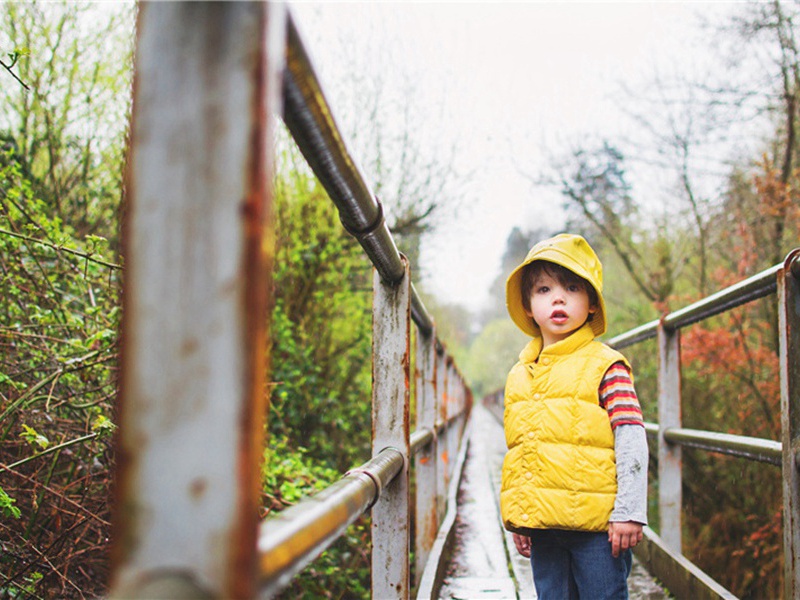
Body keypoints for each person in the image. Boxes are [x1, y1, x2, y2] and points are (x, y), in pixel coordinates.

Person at [500, 233, 648, 599]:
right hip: (545, 526)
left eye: (571, 287)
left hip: (597, 530)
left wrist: (628, 511)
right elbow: (521, 449)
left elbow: (630, 436)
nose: (559, 298)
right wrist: (522, 514)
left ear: (592, 304)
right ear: (529, 306)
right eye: (544, 290)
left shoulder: (605, 366)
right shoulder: (522, 373)